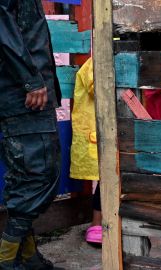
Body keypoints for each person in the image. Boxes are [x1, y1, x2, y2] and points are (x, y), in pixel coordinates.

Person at [0, 0, 62, 269]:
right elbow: (3, 27)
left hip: (22, 91)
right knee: (38, 174)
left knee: (25, 176)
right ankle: (6, 258)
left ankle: (26, 256)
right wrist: (31, 79)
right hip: (23, 94)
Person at [68, 58, 102, 245]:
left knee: (112, 180)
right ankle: (97, 223)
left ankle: (102, 223)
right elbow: (99, 89)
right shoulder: (94, 64)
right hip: (99, 134)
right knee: (107, 181)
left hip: (114, 133)